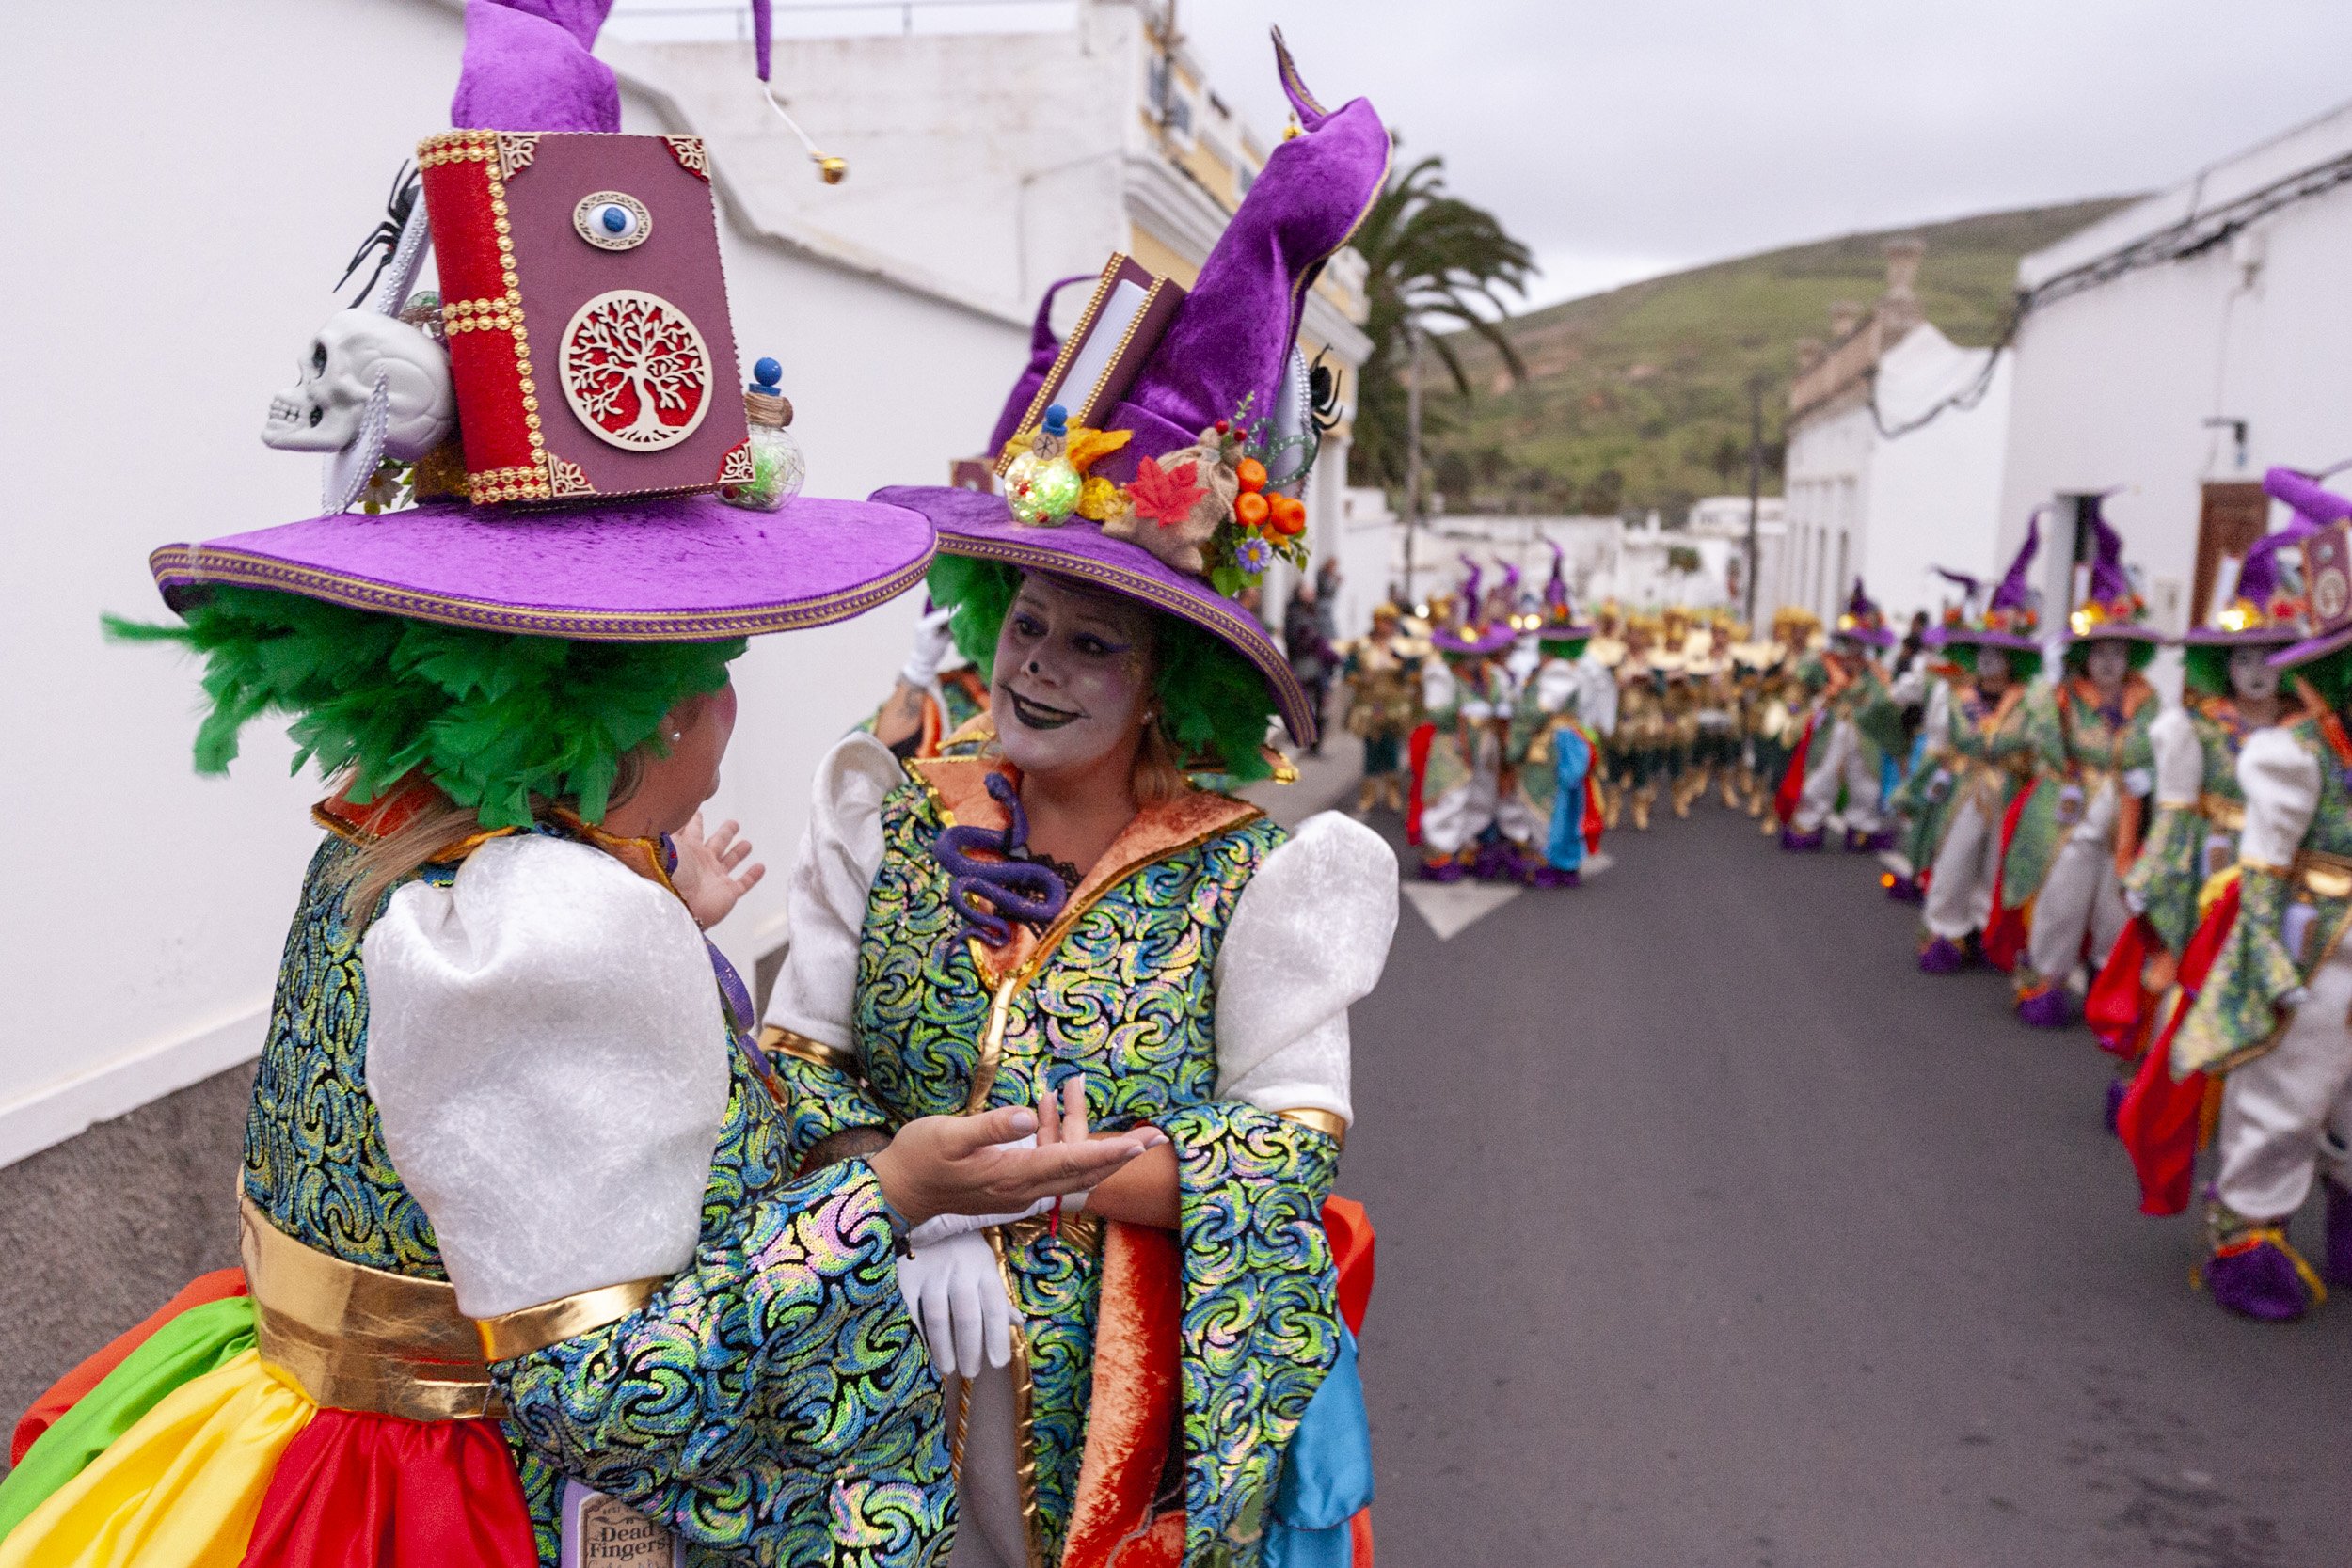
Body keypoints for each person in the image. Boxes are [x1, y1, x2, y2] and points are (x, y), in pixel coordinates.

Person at [0, 8, 1155, 1560]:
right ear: (664, 706)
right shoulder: (564, 922)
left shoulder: (409, 841)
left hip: (294, 1433)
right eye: (721, 652)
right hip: (467, 1495)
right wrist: (886, 1189)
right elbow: (614, 1396)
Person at [764, 36, 1397, 1564]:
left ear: (1169, 681)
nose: (1038, 665)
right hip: (877, 1376)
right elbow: (796, 1070)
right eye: (1028, 623)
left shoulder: (1256, 877)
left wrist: (1042, 1187)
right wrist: (908, 1201)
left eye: (1093, 642)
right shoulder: (884, 804)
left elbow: (1286, 1146)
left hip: (1112, 1425)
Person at [2164, 492, 2352, 1322]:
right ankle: (2246, 1235)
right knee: (2288, 1092)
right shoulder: (2293, 754)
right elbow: (2265, 872)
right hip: (2312, 951)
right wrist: (2268, 968)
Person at [2004, 508, 2161, 1027]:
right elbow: (2041, 744)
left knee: (2116, 911)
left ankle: (2107, 992)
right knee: (2061, 903)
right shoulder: (2063, 697)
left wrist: (2149, 779)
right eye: (2099, 652)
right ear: (2083, 657)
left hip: (2127, 823)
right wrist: (2046, 690)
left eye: (2119, 651)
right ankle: (2045, 981)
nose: (2110, 662)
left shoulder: (2149, 701)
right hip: (2069, 817)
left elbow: (2160, 756)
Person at [1912, 528, 2044, 969]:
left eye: (1997, 653)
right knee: (1954, 858)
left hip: (2008, 790)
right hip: (1965, 787)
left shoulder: (2031, 701)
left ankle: (1985, 932)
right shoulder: (1956, 696)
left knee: (1996, 864)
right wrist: (1922, 786)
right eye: (1982, 652)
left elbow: (2039, 751)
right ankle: (1946, 930)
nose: (1988, 660)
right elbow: (1941, 747)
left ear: (2013, 659)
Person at [1779, 581, 1903, 852]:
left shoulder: (1874, 672)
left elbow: (1885, 701)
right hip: (1832, 727)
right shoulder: (1828, 663)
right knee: (1822, 776)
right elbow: (1802, 678)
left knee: (1865, 782)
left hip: (1864, 733)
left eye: (1861, 642)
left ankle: (1862, 828)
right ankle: (1807, 824)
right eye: (1851, 641)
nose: (1855, 648)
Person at [1419, 561, 1518, 876]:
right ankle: (1439, 853)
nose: (1475, 656)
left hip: (1486, 748)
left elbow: (1506, 700)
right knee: (1450, 797)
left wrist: (1504, 710)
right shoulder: (1441, 673)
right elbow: (1437, 711)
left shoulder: (1494, 675)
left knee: (1481, 798)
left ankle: (1466, 847)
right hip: (1453, 746)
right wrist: (1462, 712)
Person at [1342, 601, 1420, 816]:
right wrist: (1360, 679)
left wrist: (1405, 668)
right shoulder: (1362, 645)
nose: (1389, 626)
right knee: (1371, 750)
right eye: (1386, 621)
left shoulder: (1402, 646)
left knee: (1391, 750)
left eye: (1392, 622)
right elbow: (1348, 672)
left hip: (1395, 707)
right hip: (1370, 707)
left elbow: (1414, 672)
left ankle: (1392, 793)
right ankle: (1368, 795)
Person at [1286, 576, 1332, 756]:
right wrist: (1312, 641)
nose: (1311, 595)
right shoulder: (1295, 613)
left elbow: (1324, 633)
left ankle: (1315, 744)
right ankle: (1303, 738)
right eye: (1307, 592)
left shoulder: (1316, 611)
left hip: (1319, 665)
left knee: (1321, 704)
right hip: (1303, 664)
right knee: (1303, 703)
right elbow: (1296, 638)